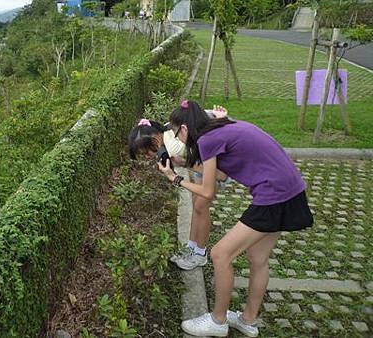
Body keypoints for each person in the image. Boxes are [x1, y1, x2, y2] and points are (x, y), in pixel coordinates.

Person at [160, 99, 312, 337]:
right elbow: (221, 174)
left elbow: (209, 191)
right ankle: (248, 320)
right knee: (258, 257)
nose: (178, 140)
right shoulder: (222, 127)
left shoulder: (207, 139)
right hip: (292, 191)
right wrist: (183, 163)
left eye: (176, 133)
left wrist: (175, 178)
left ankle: (218, 321)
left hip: (274, 195)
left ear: (185, 128)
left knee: (220, 254)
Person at [129, 106, 230, 271]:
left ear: (155, 138)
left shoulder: (173, 142)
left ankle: (199, 254)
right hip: (203, 162)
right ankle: (190, 248)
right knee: (197, 205)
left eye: (146, 152)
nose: (148, 156)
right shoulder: (168, 134)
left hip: (219, 164)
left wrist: (179, 170)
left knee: (200, 206)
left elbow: (219, 173)